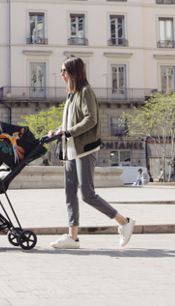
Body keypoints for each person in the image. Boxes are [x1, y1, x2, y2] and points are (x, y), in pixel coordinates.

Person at [47, 57, 134, 249]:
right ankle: (73, 237)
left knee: (87, 194)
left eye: (63, 71)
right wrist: (58, 130)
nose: (61, 74)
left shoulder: (86, 92)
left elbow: (90, 120)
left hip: (85, 148)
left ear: (73, 72)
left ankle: (124, 222)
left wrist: (67, 132)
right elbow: (70, 123)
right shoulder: (71, 95)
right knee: (70, 193)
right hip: (71, 149)